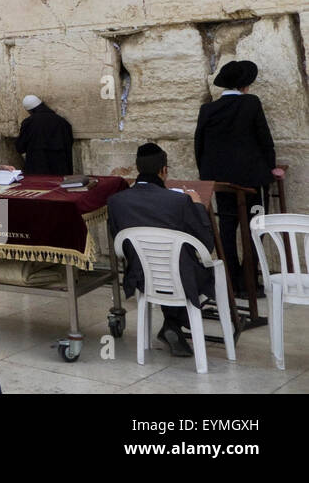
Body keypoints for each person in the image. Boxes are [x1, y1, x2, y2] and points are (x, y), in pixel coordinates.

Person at [108, 143, 215, 357]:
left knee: (170, 266)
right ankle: (172, 325)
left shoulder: (116, 201)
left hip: (141, 274)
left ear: (137, 168)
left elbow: (118, 240)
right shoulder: (180, 201)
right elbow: (206, 244)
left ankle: (171, 325)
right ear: (163, 170)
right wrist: (197, 206)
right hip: (181, 277)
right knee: (199, 267)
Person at [195, 60, 279, 292]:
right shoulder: (251, 104)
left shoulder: (208, 109)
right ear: (245, 86)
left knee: (228, 226)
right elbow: (264, 139)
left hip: (222, 182)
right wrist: (269, 169)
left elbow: (199, 145)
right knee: (255, 226)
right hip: (251, 180)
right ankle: (249, 279)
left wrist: (208, 177)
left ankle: (231, 279)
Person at [15, 95, 74, 176]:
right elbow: (69, 144)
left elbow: (20, 147)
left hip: (37, 168)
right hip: (60, 168)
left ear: (30, 111)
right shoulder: (62, 122)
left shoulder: (28, 123)